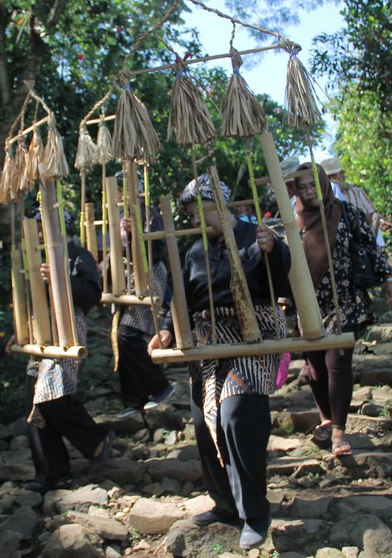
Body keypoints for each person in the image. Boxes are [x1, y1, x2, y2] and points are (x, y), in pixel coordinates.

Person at [147, 173, 292, 550]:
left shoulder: (256, 235)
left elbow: (282, 282)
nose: (195, 220)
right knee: (203, 420)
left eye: (199, 211)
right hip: (207, 341)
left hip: (251, 335)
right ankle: (226, 505)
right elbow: (180, 298)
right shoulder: (194, 250)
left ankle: (256, 514)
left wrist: (274, 250)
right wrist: (165, 329)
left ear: (219, 204)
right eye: (191, 214)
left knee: (237, 416)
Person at [291, 163, 392, 458]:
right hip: (309, 302)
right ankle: (325, 417)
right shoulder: (292, 221)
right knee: (314, 366)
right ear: (296, 190)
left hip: (344, 300)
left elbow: (370, 247)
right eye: (303, 187)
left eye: (314, 185)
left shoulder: (346, 213)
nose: (310, 192)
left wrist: (389, 280)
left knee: (337, 362)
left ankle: (339, 429)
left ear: (324, 183)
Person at [10, 212, 114, 493]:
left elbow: (92, 294)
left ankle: (96, 438)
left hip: (66, 329)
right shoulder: (36, 255)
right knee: (34, 399)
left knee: (53, 394)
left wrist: (59, 278)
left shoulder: (79, 255)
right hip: (39, 331)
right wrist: (20, 332)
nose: (40, 234)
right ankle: (51, 473)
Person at [112, 169, 174, 419]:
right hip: (125, 278)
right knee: (119, 338)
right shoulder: (116, 215)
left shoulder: (149, 213)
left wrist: (136, 233)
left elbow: (157, 251)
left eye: (122, 187)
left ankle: (159, 385)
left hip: (148, 274)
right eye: (117, 188)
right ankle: (132, 399)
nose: (120, 192)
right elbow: (115, 253)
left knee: (128, 333)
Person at [320, 156, 388, 248]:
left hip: (361, 242)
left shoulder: (356, 192)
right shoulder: (323, 197)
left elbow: (373, 215)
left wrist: (380, 221)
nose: (342, 177)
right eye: (340, 174)